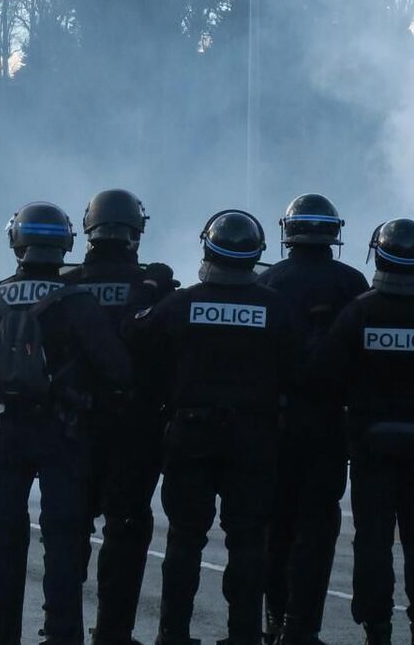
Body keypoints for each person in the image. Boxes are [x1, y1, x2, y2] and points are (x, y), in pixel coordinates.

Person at [0, 201, 132, 645]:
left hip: (7, 434)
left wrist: (5, 404)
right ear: (66, 244)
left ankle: (0, 635)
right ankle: (62, 634)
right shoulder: (79, 304)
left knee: (4, 538)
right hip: (64, 435)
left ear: (16, 243)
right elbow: (117, 371)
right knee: (63, 541)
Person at [126, 210, 298, 645]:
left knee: (184, 541)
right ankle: (243, 635)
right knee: (247, 542)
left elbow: (137, 341)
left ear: (207, 249)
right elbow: (307, 368)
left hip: (191, 435)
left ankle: (173, 633)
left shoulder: (180, 304)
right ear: (256, 254)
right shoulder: (276, 308)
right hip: (255, 440)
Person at [314, 218, 414, 645]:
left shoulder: (359, 311)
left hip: (370, 444)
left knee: (373, 540)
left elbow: (324, 374)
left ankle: (376, 625)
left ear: (378, 255)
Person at [61, 189, 176, 645]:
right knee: (127, 531)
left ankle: (63, 627)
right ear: (136, 231)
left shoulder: (65, 285)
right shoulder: (156, 286)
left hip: (73, 427)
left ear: (88, 228)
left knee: (70, 530)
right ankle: (113, 632)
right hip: (137, 428)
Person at [259, 194, 369, 645]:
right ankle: (304, 629)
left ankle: (274, 620)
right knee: (318, 531)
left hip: (275, 424)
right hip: (329, 425)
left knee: (275, 526)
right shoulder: (353, 283)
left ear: (288, 231)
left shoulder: (268, 284)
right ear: (333, 232)